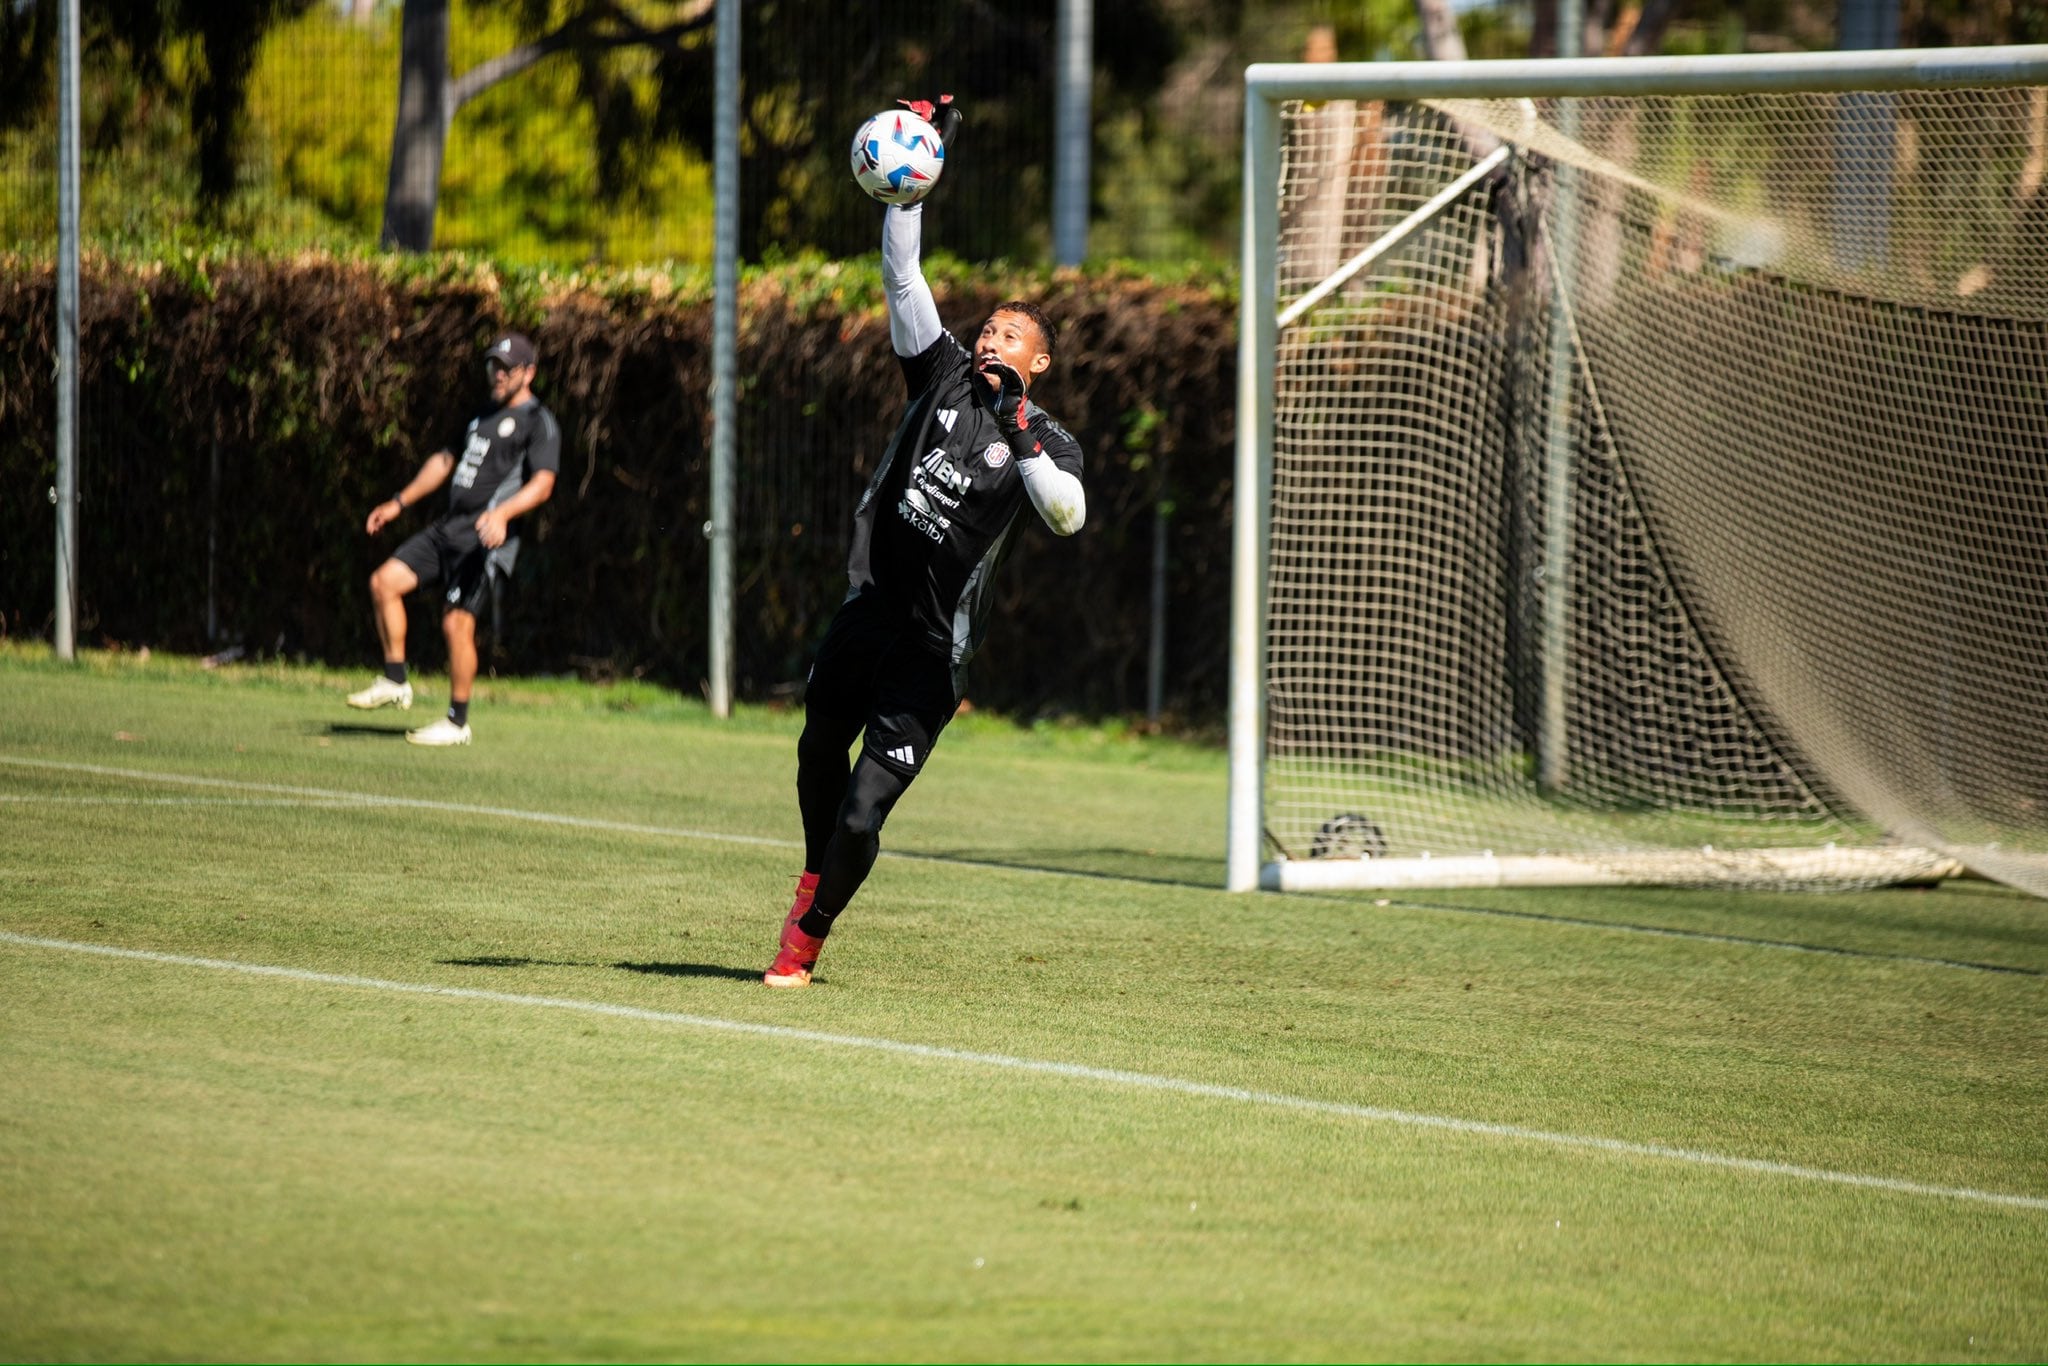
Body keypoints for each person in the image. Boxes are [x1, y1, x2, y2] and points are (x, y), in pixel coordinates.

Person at [764, 108, 1088, 988]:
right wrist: (911, 182)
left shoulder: (1047, 439)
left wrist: (1017, 424)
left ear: (1040, 363)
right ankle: (810, 875)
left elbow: (1067, 516)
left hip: (930, 651)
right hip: (871, 611)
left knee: (864, 819)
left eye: (1009, 337)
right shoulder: (939, 371)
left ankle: (808, 935)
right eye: (986, 330)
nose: (988, 341)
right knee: (813, 751)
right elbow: (902, 273)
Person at [346, 332, 561, 746]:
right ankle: (395, 680)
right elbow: (444, 461)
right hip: (449, 527)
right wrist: (397, 503)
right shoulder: (479, 415)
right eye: (492, 366)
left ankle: (456, 722)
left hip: (485, 538)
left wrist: (502, 514)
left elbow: (544, 484)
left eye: (506, 368)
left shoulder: (539, 423)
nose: (497, 375)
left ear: (529, 373)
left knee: (456, 623)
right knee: (384, 582)